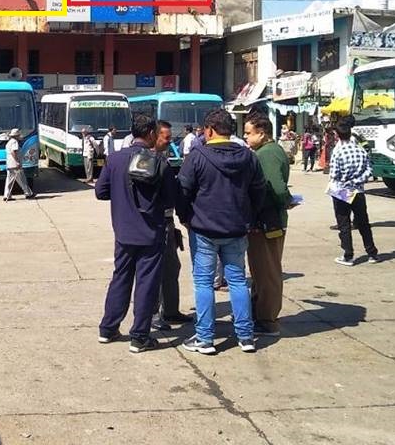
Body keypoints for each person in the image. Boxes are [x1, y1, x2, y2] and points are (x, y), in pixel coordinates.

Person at [176, 108, 267, 355]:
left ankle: (205, 338)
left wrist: (185, 218)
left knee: (204, 283)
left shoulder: (197, 156)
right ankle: (246, 336)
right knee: (238, 281)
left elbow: (183, 191)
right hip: (237, 228)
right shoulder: (248, 157)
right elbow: (259, 190)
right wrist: (250, 217)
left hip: (203, 229)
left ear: (209, 130)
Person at [96, 114, 177, 354]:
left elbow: (100, 192)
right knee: (146, 283)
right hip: (151, 233)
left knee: (120, 278)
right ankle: (140, 336)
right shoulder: (160, 162)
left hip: (123, 232)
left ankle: (108, 328)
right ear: (151, 133)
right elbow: (171, 199)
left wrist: (120, 195)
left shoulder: (114, 159)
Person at [243, 114, 292, 337]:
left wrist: (286, 200)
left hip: (267, 223)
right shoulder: (268, 151)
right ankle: (259, 313)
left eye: (248, 133)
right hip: (266, 221)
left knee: (267, 272)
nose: (245, 137)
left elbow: (277, 187)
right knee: (260, 271)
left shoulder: (267, 154)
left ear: (262, 133)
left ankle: (267, 319)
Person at [150, 120, 192, 331]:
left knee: (172, 267)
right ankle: (153, 314)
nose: (169, 141)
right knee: (155, 272)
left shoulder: (163, 159)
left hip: (167, 221)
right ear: (153, 136)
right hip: (154, 224)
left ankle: (171, 310)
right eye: (165, 137)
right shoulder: (149, 162)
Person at [329, 119, 379, 266]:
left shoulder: (338, 151)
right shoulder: (360, 149)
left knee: (344, 224)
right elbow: (369, 169)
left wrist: (345, 181)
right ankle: (372, 253)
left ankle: (348, 255)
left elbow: (334, 174)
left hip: (342, 190)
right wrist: (358, 180)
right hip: (358, 190)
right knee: (363, 223)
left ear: (337, 135)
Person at [3, 128, 36, 202]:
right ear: (16, 136)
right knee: (22, 179)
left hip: (9, 164)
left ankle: (7, 195)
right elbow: (13, 152)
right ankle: (28, 193)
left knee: (9, 180)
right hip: (15, 164)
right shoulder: (15, 142)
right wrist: (17, 161)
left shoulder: (9, 142)